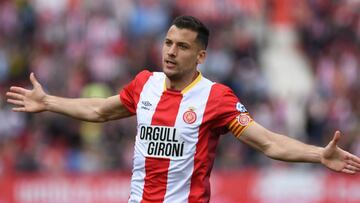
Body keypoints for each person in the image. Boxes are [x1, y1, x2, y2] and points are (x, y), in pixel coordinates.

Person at [6, 15, 360, 203]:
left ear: (200, 56)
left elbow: (268, 142)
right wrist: (49, 102)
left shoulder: (216, 98)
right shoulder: (145, 83)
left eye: (182, 47)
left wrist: (318, 155)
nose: (171, 52)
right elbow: (101, 110)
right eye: (168, 43)